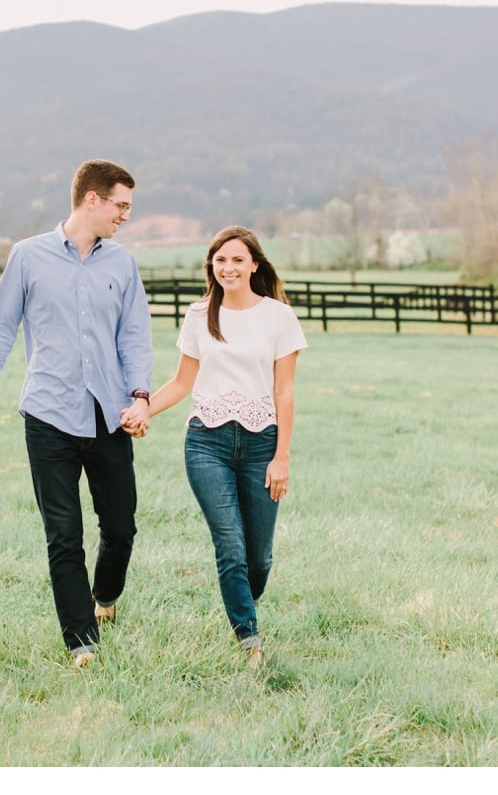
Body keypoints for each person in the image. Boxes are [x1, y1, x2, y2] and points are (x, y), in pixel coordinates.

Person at [0, 159, 153, 669]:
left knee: (121, 527)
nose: (125, 216)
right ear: (91, 200)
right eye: (121, 206)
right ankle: (81, 641)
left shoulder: (123, 264)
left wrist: (140, 396)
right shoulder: (27, 257)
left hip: (110, 413)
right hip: (48, 415)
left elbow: (134, 334)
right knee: (63, 533)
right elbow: (0, 329)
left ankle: (106, 596)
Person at [123, 225, 306, 667]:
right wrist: (145, 408)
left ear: (254, 264)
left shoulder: (279, 317)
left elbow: (284, 394)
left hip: (262, 444)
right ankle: (250, 641)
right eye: (220, 260)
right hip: (208, 442)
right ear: (212, 267)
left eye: (237, 260)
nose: (228, 268)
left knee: (258, 557)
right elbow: (183, 381)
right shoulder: (199, 314)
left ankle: (242, 602)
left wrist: (281, 458)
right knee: (230, 545)